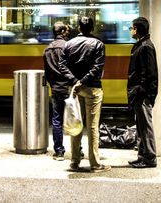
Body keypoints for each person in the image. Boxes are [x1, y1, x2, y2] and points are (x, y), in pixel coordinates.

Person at [59, 16, 111, 173]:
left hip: (75, 89)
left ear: (79, 29)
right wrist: (83, 81)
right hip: (93, 89)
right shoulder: (98, 44)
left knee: (76, 125)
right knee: (93, 126)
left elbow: (62, 66)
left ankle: (74, 161)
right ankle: (95, 164)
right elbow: (98, 67)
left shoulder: (68, 44)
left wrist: (76, 82)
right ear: (93, 29)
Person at [127, 17, 158, 168]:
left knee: (145, 127)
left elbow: (150, 74)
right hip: (138, 93)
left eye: (132, 28)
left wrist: (140, 91)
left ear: (137, 29)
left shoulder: (146, 47)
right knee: (140, 127)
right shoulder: (141, 45)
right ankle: (142, 156)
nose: (131, 30)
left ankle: (150, 158)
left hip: (142, 94)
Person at [43, 21, 70, 161]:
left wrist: (53, 84)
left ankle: (59, 152)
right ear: (64, 32)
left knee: (57, 119)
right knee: (73, 118)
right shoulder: (68, 46)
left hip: (56, 88)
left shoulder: (47, 49)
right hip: (69, 87)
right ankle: (78, 150)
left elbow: (47, 73)